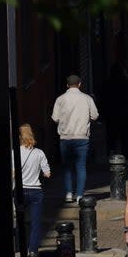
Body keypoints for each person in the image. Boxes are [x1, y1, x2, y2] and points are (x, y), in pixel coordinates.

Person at [52, 73, 100, 202]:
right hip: (82, 137)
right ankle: (79, 195)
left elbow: (55, 118)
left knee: (67, 167)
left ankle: (68, 193)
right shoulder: (87, 98)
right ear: (80, 84)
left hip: (65, 137)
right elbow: (95, 116)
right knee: (81, 166)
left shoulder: (60, 99)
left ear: (67, 85)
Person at [18, 124, 52, 257]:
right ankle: (33, 249)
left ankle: (20, 247)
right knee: (35, 223)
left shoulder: (15, 152)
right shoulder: (39, 153)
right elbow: (47, 174)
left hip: (20, 191)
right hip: (36, 191)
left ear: (20, 137)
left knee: (19, 221)